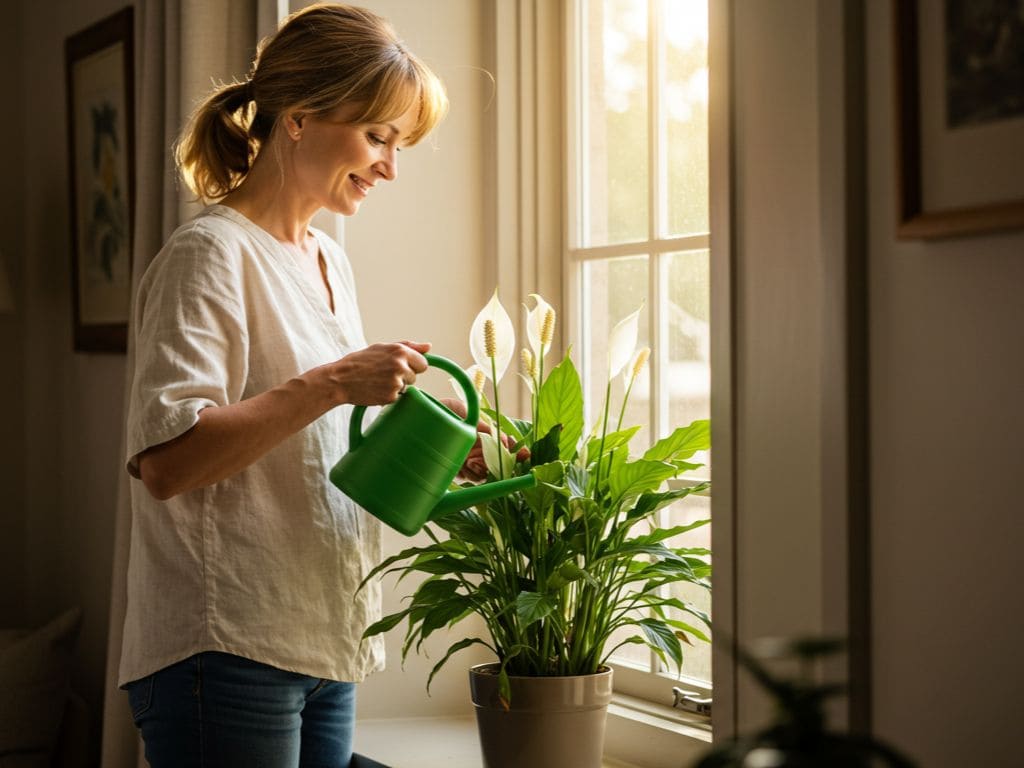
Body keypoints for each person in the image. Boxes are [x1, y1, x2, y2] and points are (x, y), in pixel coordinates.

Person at [120, 5, 452, 766]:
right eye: (377, 138)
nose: (390, 167)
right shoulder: (208, 254)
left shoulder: (328, 260)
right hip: (226, 645)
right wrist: (336, 380)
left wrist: (439, 442)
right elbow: (167, 464)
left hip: (320, 634)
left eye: (398, 145)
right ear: (299, 119)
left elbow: (309, 443)